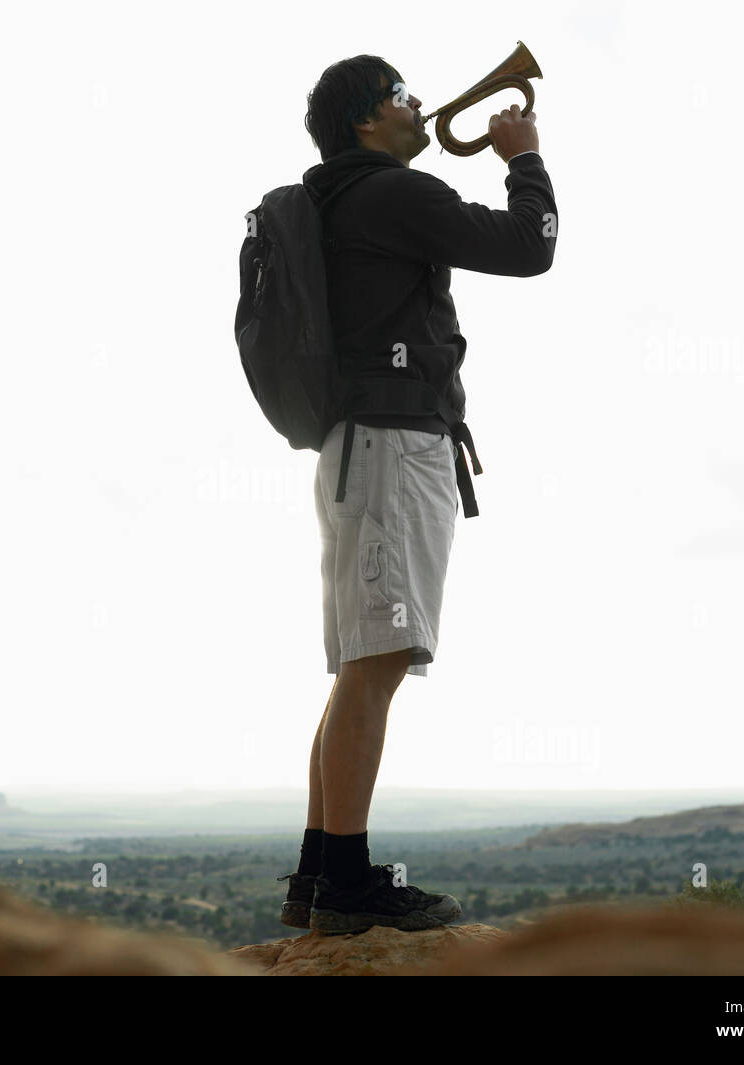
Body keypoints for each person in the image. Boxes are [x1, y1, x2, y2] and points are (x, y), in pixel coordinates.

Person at [277, 55, 558, 935]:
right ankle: (350, 885)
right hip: (395, 448)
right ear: (367, 119)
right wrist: (523, 156)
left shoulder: (336, 199)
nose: (422, 104)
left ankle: (323, 873)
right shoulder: (392, 193)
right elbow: (528, 246)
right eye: (403, 94)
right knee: (376, 664)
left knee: (362, 666)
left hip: (359, 447)